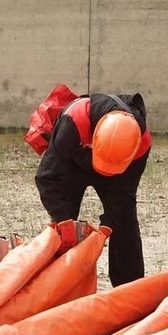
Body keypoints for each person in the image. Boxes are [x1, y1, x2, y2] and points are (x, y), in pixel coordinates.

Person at [35, 93, 151, 286]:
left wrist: (108, 226)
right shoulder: (73, 120)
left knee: (125, 222)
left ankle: (129, 288)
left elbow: (124, 195)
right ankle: (57, 286)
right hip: (72, 164)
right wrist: (63, 219)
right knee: (64, 228)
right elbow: (47, 177)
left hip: (118, 175)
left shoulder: (140, 143)